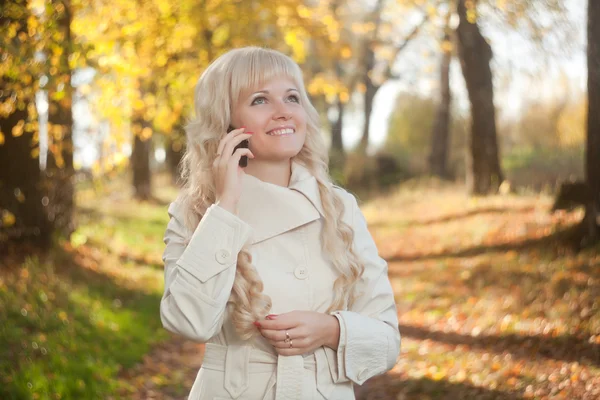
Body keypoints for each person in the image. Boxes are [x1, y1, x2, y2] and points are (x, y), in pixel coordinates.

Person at [160, 46, 400, 400]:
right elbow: (187, 321)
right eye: (259, 100)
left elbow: (387, 340)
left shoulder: (338, 207)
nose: (283, 111)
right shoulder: (195, 211)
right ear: (225, 122)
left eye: (292, 97)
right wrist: (225, 207)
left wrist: (332, 330)